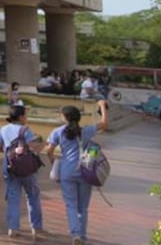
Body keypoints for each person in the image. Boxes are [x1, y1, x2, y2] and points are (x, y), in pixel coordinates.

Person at [46, 102, 109, 245]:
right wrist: (102, 106)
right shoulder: (86, 130)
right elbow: (104, 124)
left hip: (67, 171)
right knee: (83, 207)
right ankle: (83, 236)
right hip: (85, 171)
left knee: (71, 205)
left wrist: (54, 163)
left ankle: (75, 235)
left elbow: (49, 151)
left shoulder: (57, 132)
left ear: (65, 117)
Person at [0, 104, 44, 239]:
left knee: (13, 198)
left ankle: (13, 227)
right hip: (27, 169)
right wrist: (42, 144)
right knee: (32, 196)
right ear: (21, 117)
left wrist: (9, 151)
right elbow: (33, 148)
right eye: (25, 115)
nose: (26, 118)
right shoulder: (25, 130)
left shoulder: (3, 129)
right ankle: (36, 227)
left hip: (10, 168)